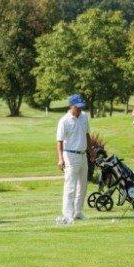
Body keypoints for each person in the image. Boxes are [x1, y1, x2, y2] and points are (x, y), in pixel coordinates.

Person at [56, 94, 92, 224]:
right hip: (70, 155)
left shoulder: (84, 117)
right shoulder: (64, 120)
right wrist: (60, 159)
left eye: (81, 107)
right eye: (77, 107)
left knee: (82, 186)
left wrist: (91, 152)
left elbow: (87, 135)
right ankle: (67, 214)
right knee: (70, 187)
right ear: (70, 106)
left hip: (83, 155)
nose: (80, 110)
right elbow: (59, 141)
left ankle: (77, 212)